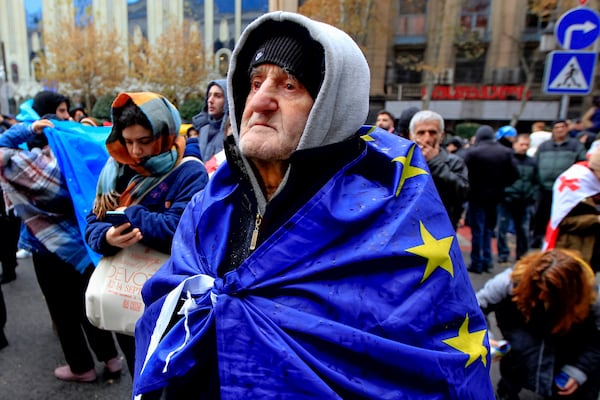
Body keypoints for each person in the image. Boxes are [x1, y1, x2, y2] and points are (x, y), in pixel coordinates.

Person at [132, 12, 493, 399]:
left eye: (289, 85)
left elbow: (427, 366)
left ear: (331, 107)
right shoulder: (209, 205)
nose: (261, 101)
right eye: (255, 83)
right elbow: (166, 304)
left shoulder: (388, 220)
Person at [0, 90, 122, 382]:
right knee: (87, 304)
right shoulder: (77, 155)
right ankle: (112, 359)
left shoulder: (24, 165)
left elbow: (1, 147)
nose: (66, 117)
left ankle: (82, 368)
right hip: (82, 242)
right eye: (62, 112)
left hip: (47, 248)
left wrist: (28, 129)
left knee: (63, 311)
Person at [85, 92, 209, 377]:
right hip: (125, 293)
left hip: (171, 299)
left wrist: (129, 214)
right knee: (137, 370)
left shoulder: (189, 172)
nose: (136, 152)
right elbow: (93, 220)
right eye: (128, 142)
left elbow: (181, 231)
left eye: (144, 141)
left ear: (164, 133)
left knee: (170, 375)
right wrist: (108, 238)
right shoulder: (115, 169)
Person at [476, 248, 600, 400]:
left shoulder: (590, 299)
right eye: (538, 289)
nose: (541, 296)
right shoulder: (510, 282)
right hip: (517, 371)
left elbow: (596, 341)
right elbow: (475, 308)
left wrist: (579, 370)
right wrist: (484, 337)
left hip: (566, 375)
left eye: (549, 293)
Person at [463, 125, 519, 273]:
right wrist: (501, 185)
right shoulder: (505, 152)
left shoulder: (473, 153)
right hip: (495, 196)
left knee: (477, 231)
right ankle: (487, 260)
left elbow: (463, 173)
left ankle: (477, 262)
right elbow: (515, 174)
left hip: (476, 196)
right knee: (488, 230)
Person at [409, 110, 469, 230]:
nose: (427, 138)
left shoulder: (454, 162)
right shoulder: (404, 161)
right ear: (412, 136)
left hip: (442, 230)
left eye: (432, 132)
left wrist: (434, 162)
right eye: (421, 133)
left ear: (441, 136)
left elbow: (462, 191)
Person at [531, 120, 587, 248]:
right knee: (541, 216)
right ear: (553, 130)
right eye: (557, 127)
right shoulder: (544, 146)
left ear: (567, 129)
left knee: (562, 217)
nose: (560, 130)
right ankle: (537, 240)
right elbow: (535, 163)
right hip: (544, 188)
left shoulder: (575, 145)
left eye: (562, 127)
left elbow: (582, 164)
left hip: (565, 190)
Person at [544, 149, 600, 272]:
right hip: (573, 247)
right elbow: (563, 221)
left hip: (592, 249)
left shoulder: (595, 184)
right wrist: (595, 220)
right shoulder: (574, 185)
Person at [496, 133, 539, 263]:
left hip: (524, 200)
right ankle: (503, 254)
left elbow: (536, 181)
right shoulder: (508, 159)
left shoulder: (532, 162)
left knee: (523, 230)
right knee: (502, 228)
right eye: (522, 144)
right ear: (515, 144)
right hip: (507, 199)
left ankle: (522, 254)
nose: (524, 147)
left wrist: (532, 195)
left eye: (527, 145)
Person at [191, 79, 228, 161]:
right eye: (209, 95)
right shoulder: (203, 129)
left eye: (217, 96)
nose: (210, 100)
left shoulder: (232, 132)